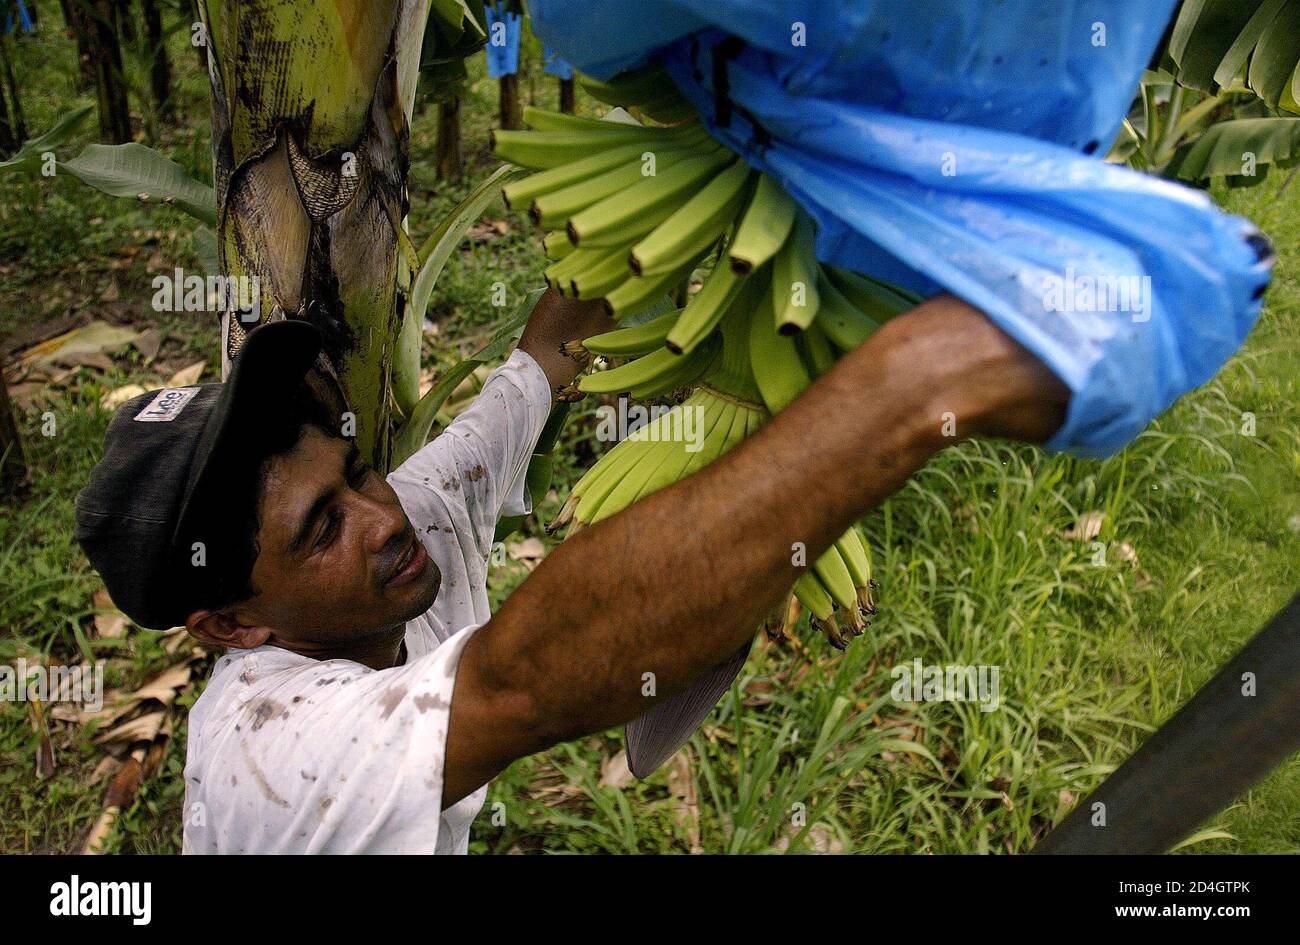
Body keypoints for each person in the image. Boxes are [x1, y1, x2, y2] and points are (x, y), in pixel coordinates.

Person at [75, 287, 1067, 853]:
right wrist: (908, 387)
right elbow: (524, 682)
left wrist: (570, 337)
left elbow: (505, 407)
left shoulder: (394, 530)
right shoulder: (269, 749)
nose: (385, 517)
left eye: (362, 472)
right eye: (322, 529)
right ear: (231, 626)